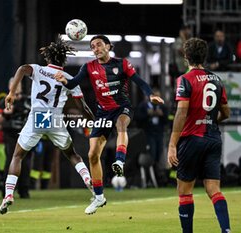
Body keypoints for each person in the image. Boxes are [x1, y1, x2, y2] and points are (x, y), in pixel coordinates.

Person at [55, 35, 164, 214]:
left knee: (121, 126)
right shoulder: (88, 67)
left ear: (108, 46)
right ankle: (99, 197)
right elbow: (74, 83)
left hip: (122, 108)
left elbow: (139, 81)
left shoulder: (122, 64)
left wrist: (150, 94)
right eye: (92, 46)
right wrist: (64, 81)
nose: (95, 48)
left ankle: (119, 162)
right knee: (92, 155)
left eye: (98, 45)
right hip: (103, 113)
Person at [0, 36, 94, 215]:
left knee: (18, 156)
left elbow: (22, 69)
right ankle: (88, 179)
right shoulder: (68, 78)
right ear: (64, 59)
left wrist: (11, 92)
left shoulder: (38, 70)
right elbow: (83, 106)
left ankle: (8, 195)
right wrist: (93, 120)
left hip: (38, 117)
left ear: (48, 58)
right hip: (56, 119)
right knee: (72, 155)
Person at [167, 38, 231, 233]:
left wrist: (172, 144)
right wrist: (209, 121)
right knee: (214, 190)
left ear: (186, 57)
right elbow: (226, 113)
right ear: (205, 56)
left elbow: (181, 112)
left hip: (191, 140)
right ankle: (226, 230)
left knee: (185, 192)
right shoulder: (216, 79)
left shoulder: (185, 80)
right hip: (213, 139)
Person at [0, 81, 32, 198]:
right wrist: (4, 113)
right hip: (10, 135)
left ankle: (24, 190)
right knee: (10, 161)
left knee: (26, 163)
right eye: (13, 84)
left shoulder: (28, 100)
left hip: (26, 134)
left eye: (18, 84)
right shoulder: (5, 100)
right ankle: (6, 191)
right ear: (9, 87)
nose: (16, 86)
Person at [136, 88, 168, 185]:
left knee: (159, 154)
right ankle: (150, 178)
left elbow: (167, 120)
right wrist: (147, 115)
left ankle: (159, 178)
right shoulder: (142, 106)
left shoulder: (163, 106)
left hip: (159, 133)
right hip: (148, 133)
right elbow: (137, 120)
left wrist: (162, 115)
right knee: (151, 154)